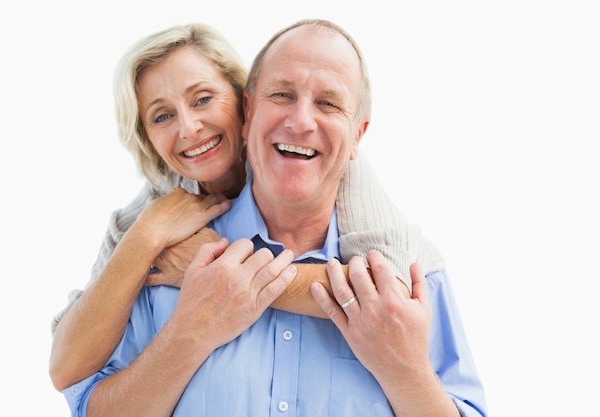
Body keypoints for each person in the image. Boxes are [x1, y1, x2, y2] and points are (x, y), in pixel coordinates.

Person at [62, 19, 487, 417]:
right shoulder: (159, 253)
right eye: (282, 95)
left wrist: (406, 372)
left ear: (358, 135)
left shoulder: (412, 274)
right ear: (250, 111)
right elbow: (75, 382)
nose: (301, 120)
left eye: (328, 102)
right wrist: (187, 333)